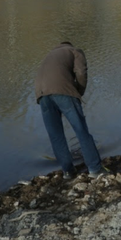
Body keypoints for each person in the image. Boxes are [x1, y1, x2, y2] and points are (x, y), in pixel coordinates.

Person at [35, 42, 108, 179]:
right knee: (81, 130)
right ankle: (95, 169)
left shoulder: (49, 55)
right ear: (70, 45)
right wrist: (79, 92)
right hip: (63, 91)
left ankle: (68, 172)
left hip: (42, 95)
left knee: (56, 135)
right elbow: (81, 72)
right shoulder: (75, 51)